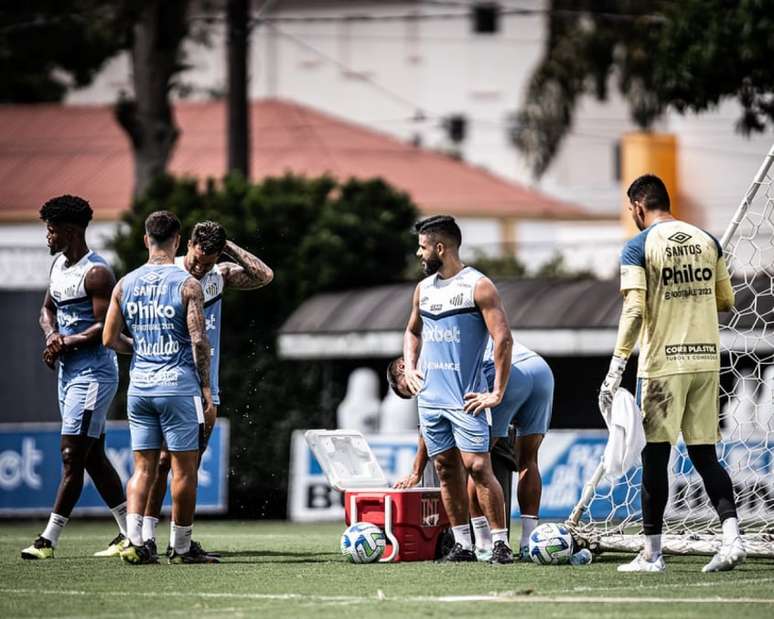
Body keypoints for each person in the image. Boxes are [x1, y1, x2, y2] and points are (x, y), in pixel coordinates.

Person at [599, 174, 743, 573]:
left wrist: (616, 367)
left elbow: (634, 310)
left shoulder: (638, 246)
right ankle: (732, 539)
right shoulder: (706, 240)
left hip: (663, 366)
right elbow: (726, 300)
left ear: (639, 207)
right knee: (704, 455)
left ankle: (652, 554)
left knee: (655, 458)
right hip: (706, 362)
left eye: (632, 211)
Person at [140, 221, 273, 556]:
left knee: (190, 465)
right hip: (168, 379)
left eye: (209, 261)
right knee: (160, 463)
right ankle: (144, 537)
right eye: (198, 258)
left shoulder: (219, 275)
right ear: (188, 245)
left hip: (205, 386)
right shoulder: (168, 276)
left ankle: (178, 541)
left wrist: (226, 248)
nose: (201, 266)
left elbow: (264, 275)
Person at [103, 211, 216, 565]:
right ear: (178, 241)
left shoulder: (125, 283)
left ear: (145, 239)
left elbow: (108, 338)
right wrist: (207, 390)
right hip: (178, 388)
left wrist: (139, 347)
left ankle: (135, 540)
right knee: (185, 469)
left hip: (139, 389)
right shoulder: (187, 284)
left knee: (143, 468)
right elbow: (199, 341)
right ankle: (181, 547)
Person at [21, 195, 128, 560]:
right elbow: (47, 309)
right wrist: (52, 336)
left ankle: (48, 540)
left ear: (69, 231)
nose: (47, 237)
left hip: (95, 373)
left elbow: (105, 327)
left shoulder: (96, 272)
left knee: (72, 455)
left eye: (51, 230)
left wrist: (66, 341)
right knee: (93, 455)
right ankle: (130, 532)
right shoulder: (58, 266)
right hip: (69, 373)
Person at [402, 215, 514, 564]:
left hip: (466, 398)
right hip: (430, 400)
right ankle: (463, 545)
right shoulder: (423, 289)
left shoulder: (478, 286)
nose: (419, 254)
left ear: (440, 247)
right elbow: (412, 332)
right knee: (446, 470)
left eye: (422, 247)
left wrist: (496, 391)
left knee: (479, 467)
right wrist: (410, 369)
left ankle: (500, 543)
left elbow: (503, 338)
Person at [390, 336, 554, 562]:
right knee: (529, 460)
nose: (419, 391)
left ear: (403, 367)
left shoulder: (427, 361)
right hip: (539, 369)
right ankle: (528, 543)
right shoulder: (444, 334)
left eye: (411, 388)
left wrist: (416, 472)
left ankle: (484, 544)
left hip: (506, 375)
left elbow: (428, 426)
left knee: (474, 464)